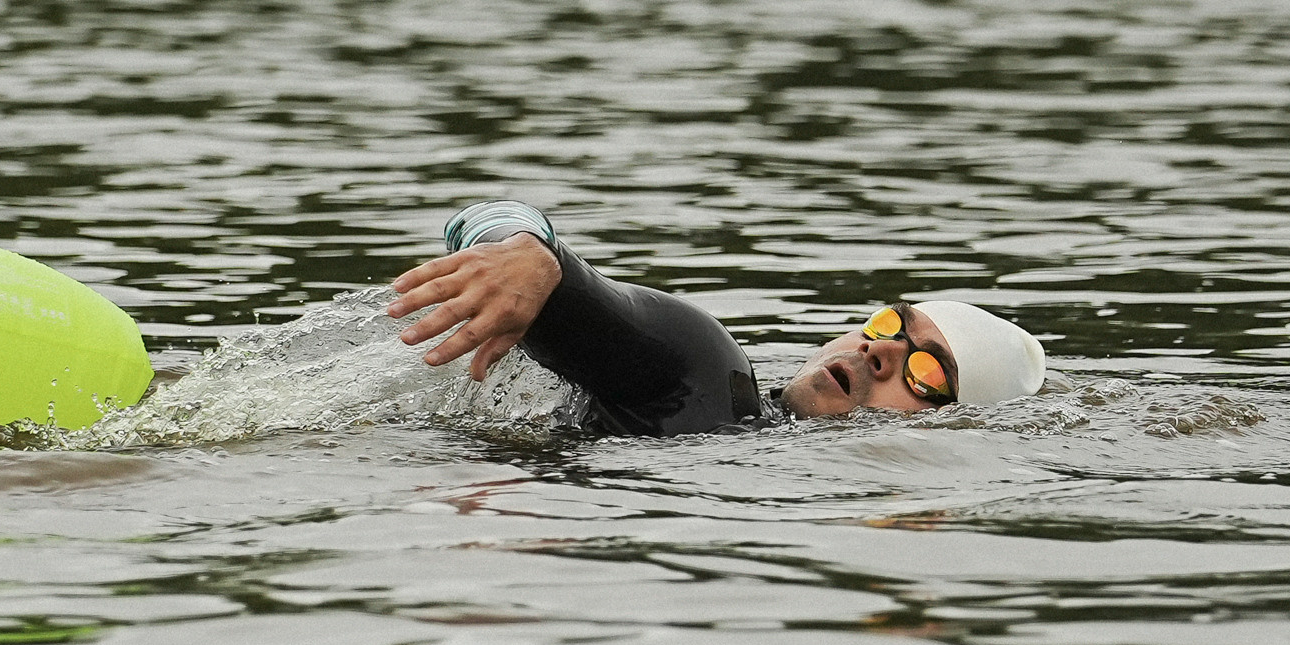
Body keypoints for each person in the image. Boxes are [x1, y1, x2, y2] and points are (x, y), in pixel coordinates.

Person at [386, 201, 1046, 436]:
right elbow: (519, 242)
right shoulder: (710, 375)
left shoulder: (730, 430)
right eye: (886, 325)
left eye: (929, 372)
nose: (884, 353)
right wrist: (527, 248)